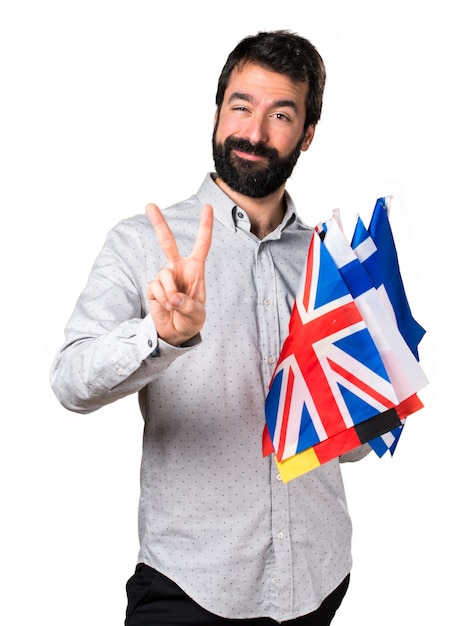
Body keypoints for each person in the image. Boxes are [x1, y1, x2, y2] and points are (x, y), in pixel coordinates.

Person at [51, 30, 370, 626]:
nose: (253, 132)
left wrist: (374, 399)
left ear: (307, 134)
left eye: (280, 114)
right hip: (190, 586)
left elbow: (340, 446)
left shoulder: (328, 259)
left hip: (318, 577)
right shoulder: (143, 241)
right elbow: (70, 381)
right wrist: (161, 337)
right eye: (240, 107)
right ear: (218, 110)